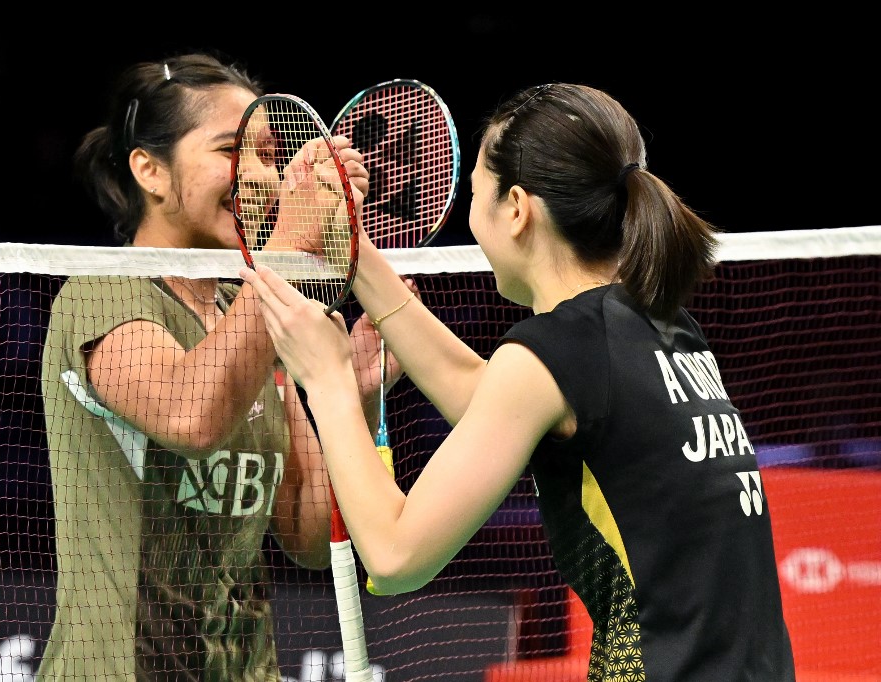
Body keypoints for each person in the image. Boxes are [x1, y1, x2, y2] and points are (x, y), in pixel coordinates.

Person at [241, 82, 797, 680]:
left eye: (475, 195)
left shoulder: (554, 353)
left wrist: (327, 381)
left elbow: (397, 556)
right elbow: (487, 400)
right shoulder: (654, 325)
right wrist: (350, 246)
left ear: (515, 207)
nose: (471, 219)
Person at [38, 51, 395, 681]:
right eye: (232, 151)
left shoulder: (252, 310)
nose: (260, 176)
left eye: (267, 153)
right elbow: (190, 413)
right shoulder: (102, 291)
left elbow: (310, 535)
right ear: (150, 170)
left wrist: (357, 396)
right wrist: (289, 243)